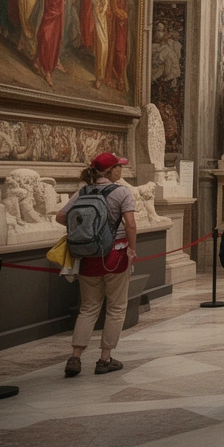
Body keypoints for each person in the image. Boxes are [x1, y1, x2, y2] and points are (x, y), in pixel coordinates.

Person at [56, 152, 136, 379]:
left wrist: (83, 231)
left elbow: (60, 217)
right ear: (111, 171)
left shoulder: (83, 192)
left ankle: (75, 357)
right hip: (114, 256)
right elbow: (130, 223)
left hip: (87, 256)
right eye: (119, 166)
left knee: (88, 308)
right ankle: (105, 359)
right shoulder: (122, 192)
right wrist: (131, 248)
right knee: (116, 307)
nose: (121, 170)